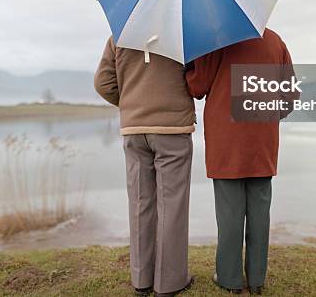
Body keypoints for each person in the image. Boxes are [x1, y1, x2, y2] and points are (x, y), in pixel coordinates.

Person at [186, 29, 297, 295]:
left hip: (227, 139)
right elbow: (290, 96)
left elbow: (196, 86)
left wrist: (190, 61)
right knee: (260, 213)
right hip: (262, 140)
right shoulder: (275, 41)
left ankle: (230, 279)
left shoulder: (216, 39)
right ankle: (257, 280)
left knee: (229, 214)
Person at [94, 36, 195, 297]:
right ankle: (170, 282)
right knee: (172, 204)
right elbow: (196, 82)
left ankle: (141, 279)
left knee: (140, 202)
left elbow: (103, 83)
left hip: (134, 128)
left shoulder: (120, 33)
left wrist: (131, 104)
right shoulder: (182, 32)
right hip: (172, 128)